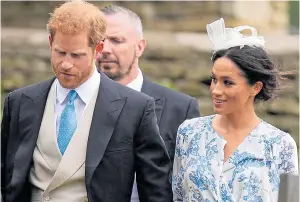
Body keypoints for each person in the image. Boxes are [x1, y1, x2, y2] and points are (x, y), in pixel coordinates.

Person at [1, 1, 172, 202]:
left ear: (97, 49)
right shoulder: (19, 102)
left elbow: (155, 190)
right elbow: (7, 177)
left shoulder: (135, 108)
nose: (66, 63)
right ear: (50, 42)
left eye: (76, 55)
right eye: (59, 52)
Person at [172, 18, 298, 202]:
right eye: (214, 79)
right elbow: (178, 196)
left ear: (255, 87)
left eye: (228, 83)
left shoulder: (280, 145)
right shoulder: (189, 133)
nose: (216, 90)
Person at [96, 5, 200, 202]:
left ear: (140, 47)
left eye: (116, 40)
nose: (106, 49)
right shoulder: (77, 102)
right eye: (99, 41)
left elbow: (190, 184)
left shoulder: (180, 108)